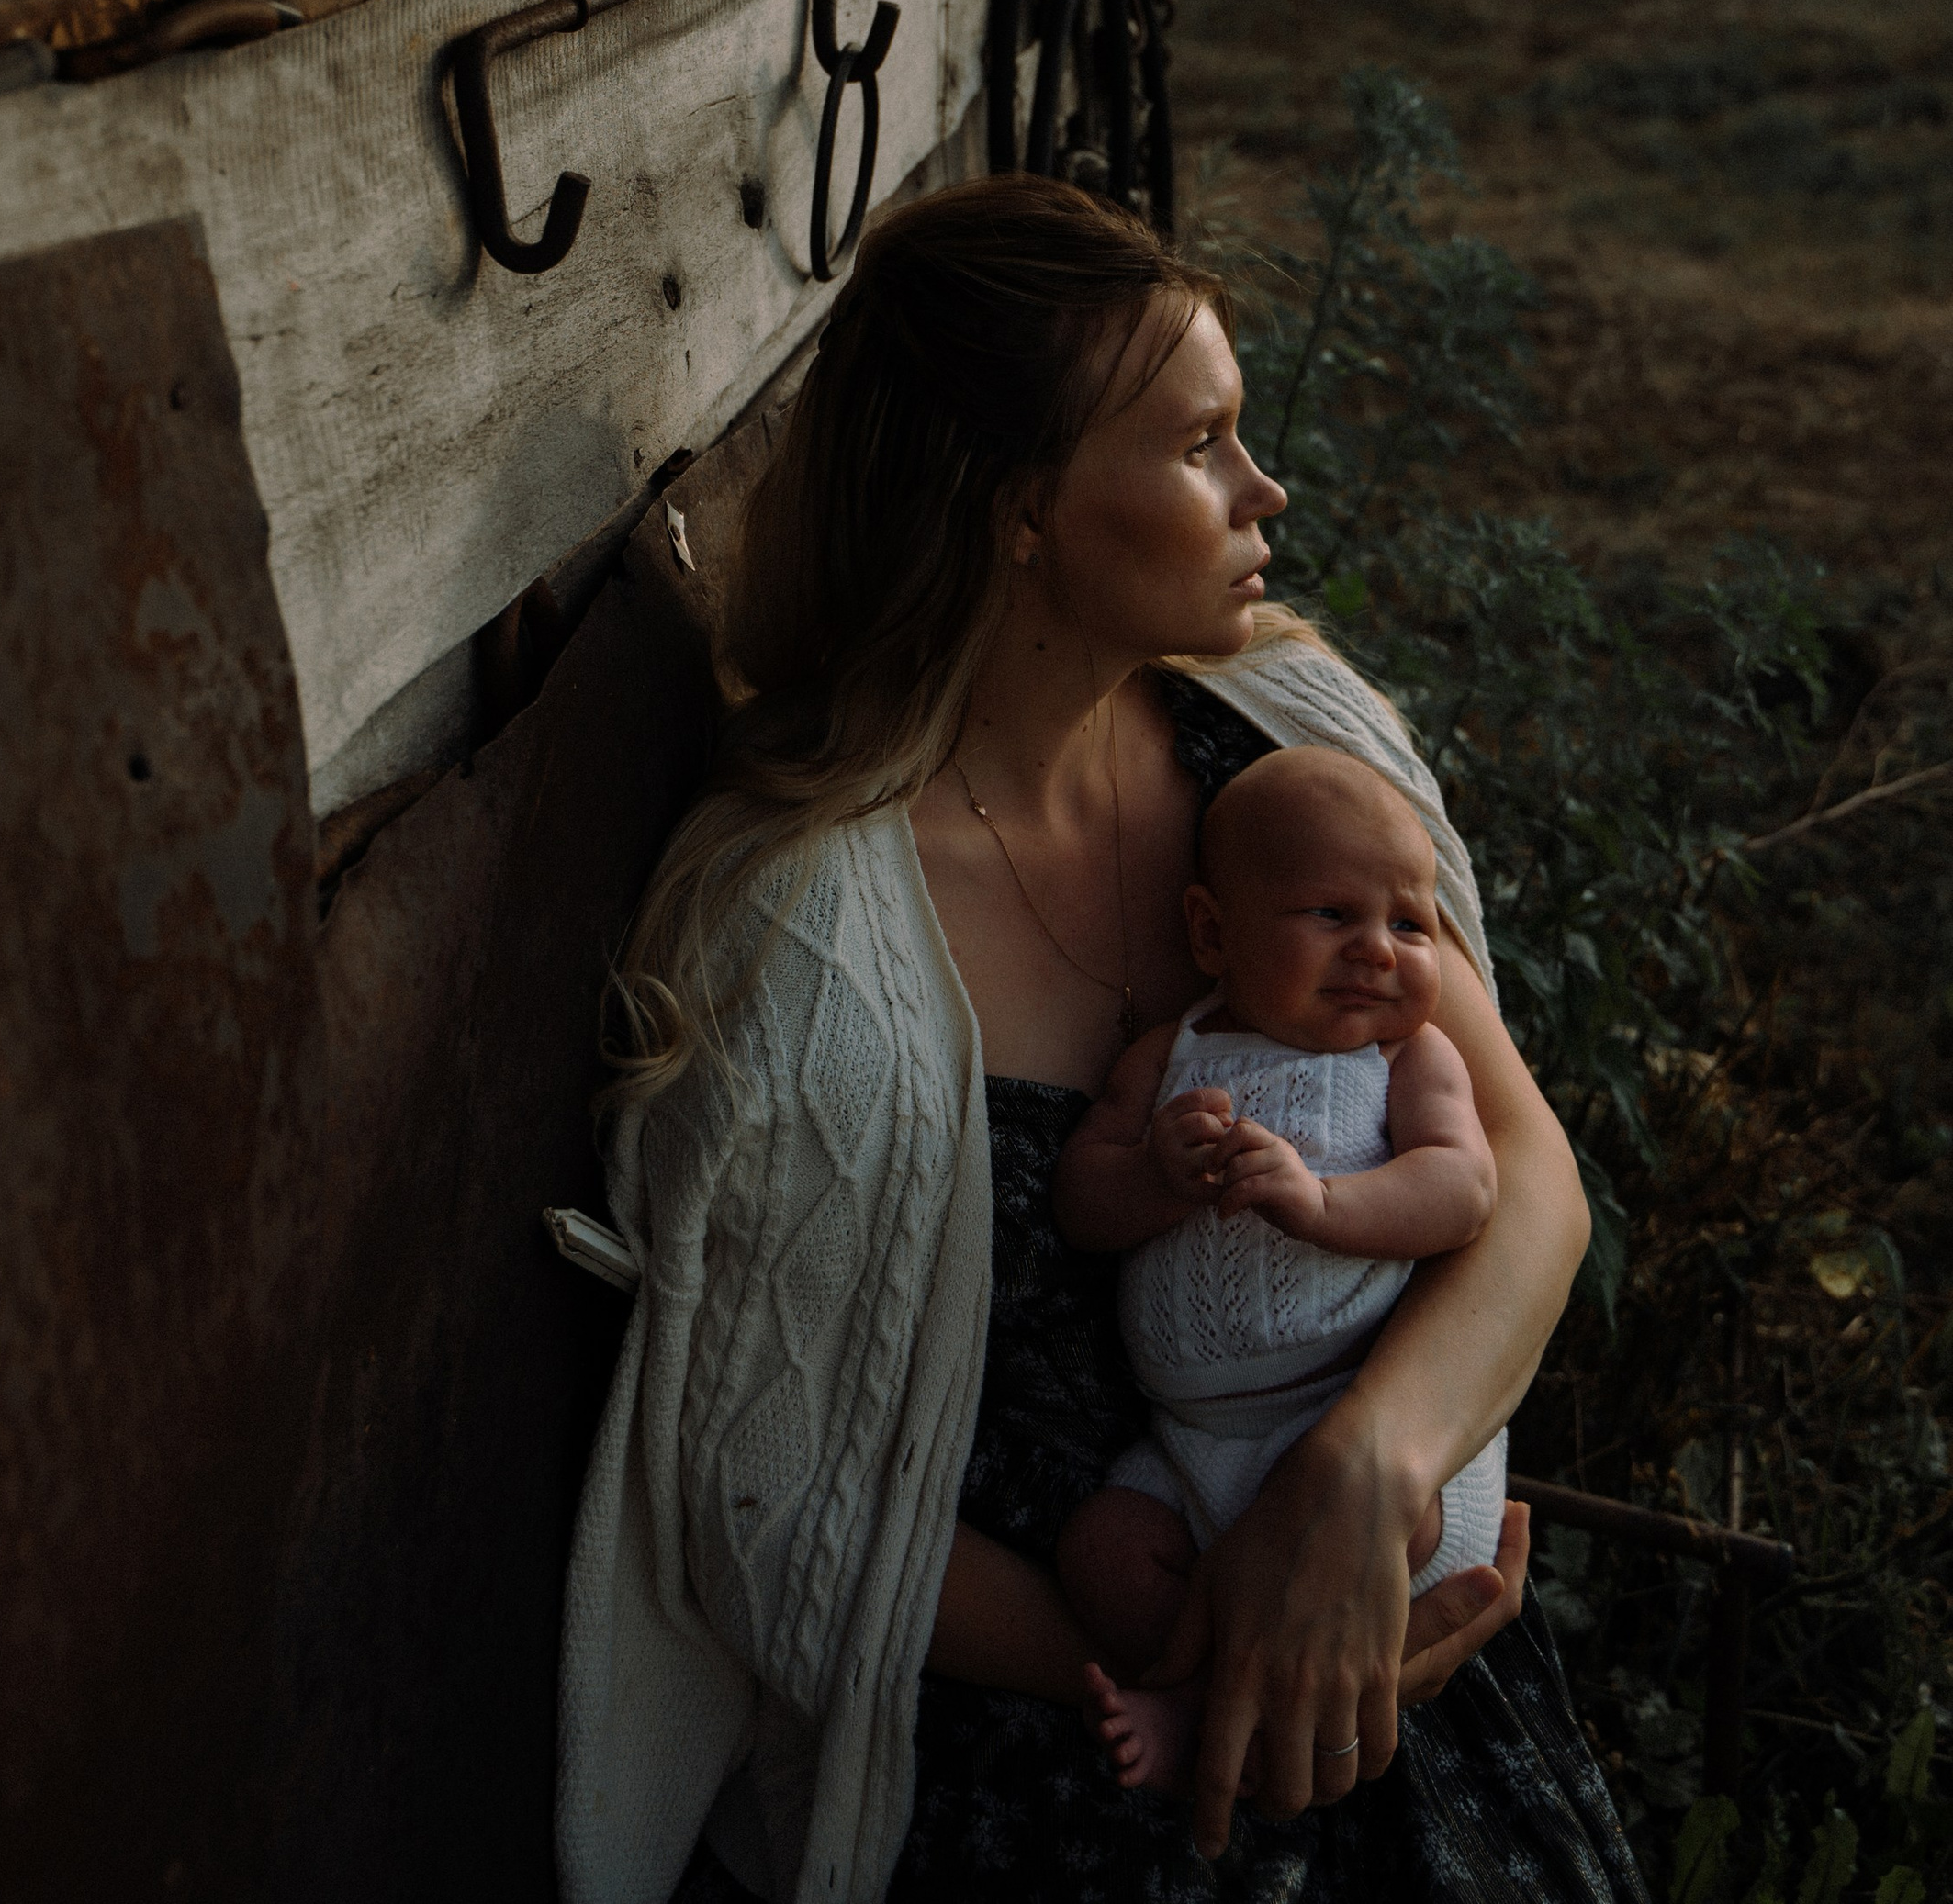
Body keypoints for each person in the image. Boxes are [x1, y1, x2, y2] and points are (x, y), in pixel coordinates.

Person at [558, 178, 1642, 1904]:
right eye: (1203, 444)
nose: (1263, 490)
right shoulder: (805, 931)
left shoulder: (1282, 743)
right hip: (1063, 1753)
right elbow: (774, 1510)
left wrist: (1368, 1486)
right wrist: (1223, 1669)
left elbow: (1528, 1187)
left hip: (1380, 1635)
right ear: (1023, 515)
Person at [1051, 747, 1507, 1798]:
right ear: (1213, 932)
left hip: (1349, 1413)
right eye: (1331, 915)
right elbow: (1083, 1198)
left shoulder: (1407, 1058)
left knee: (1418, 1528)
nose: (1378, 952)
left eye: (1409, 922)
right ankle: (1195, 1691)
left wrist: (1323, 1203)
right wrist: (1156, 1178)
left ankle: (1217, 1715)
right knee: (1102, 1551)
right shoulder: (1171, 1054)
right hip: (1195, 1440)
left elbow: (1462, 1189)